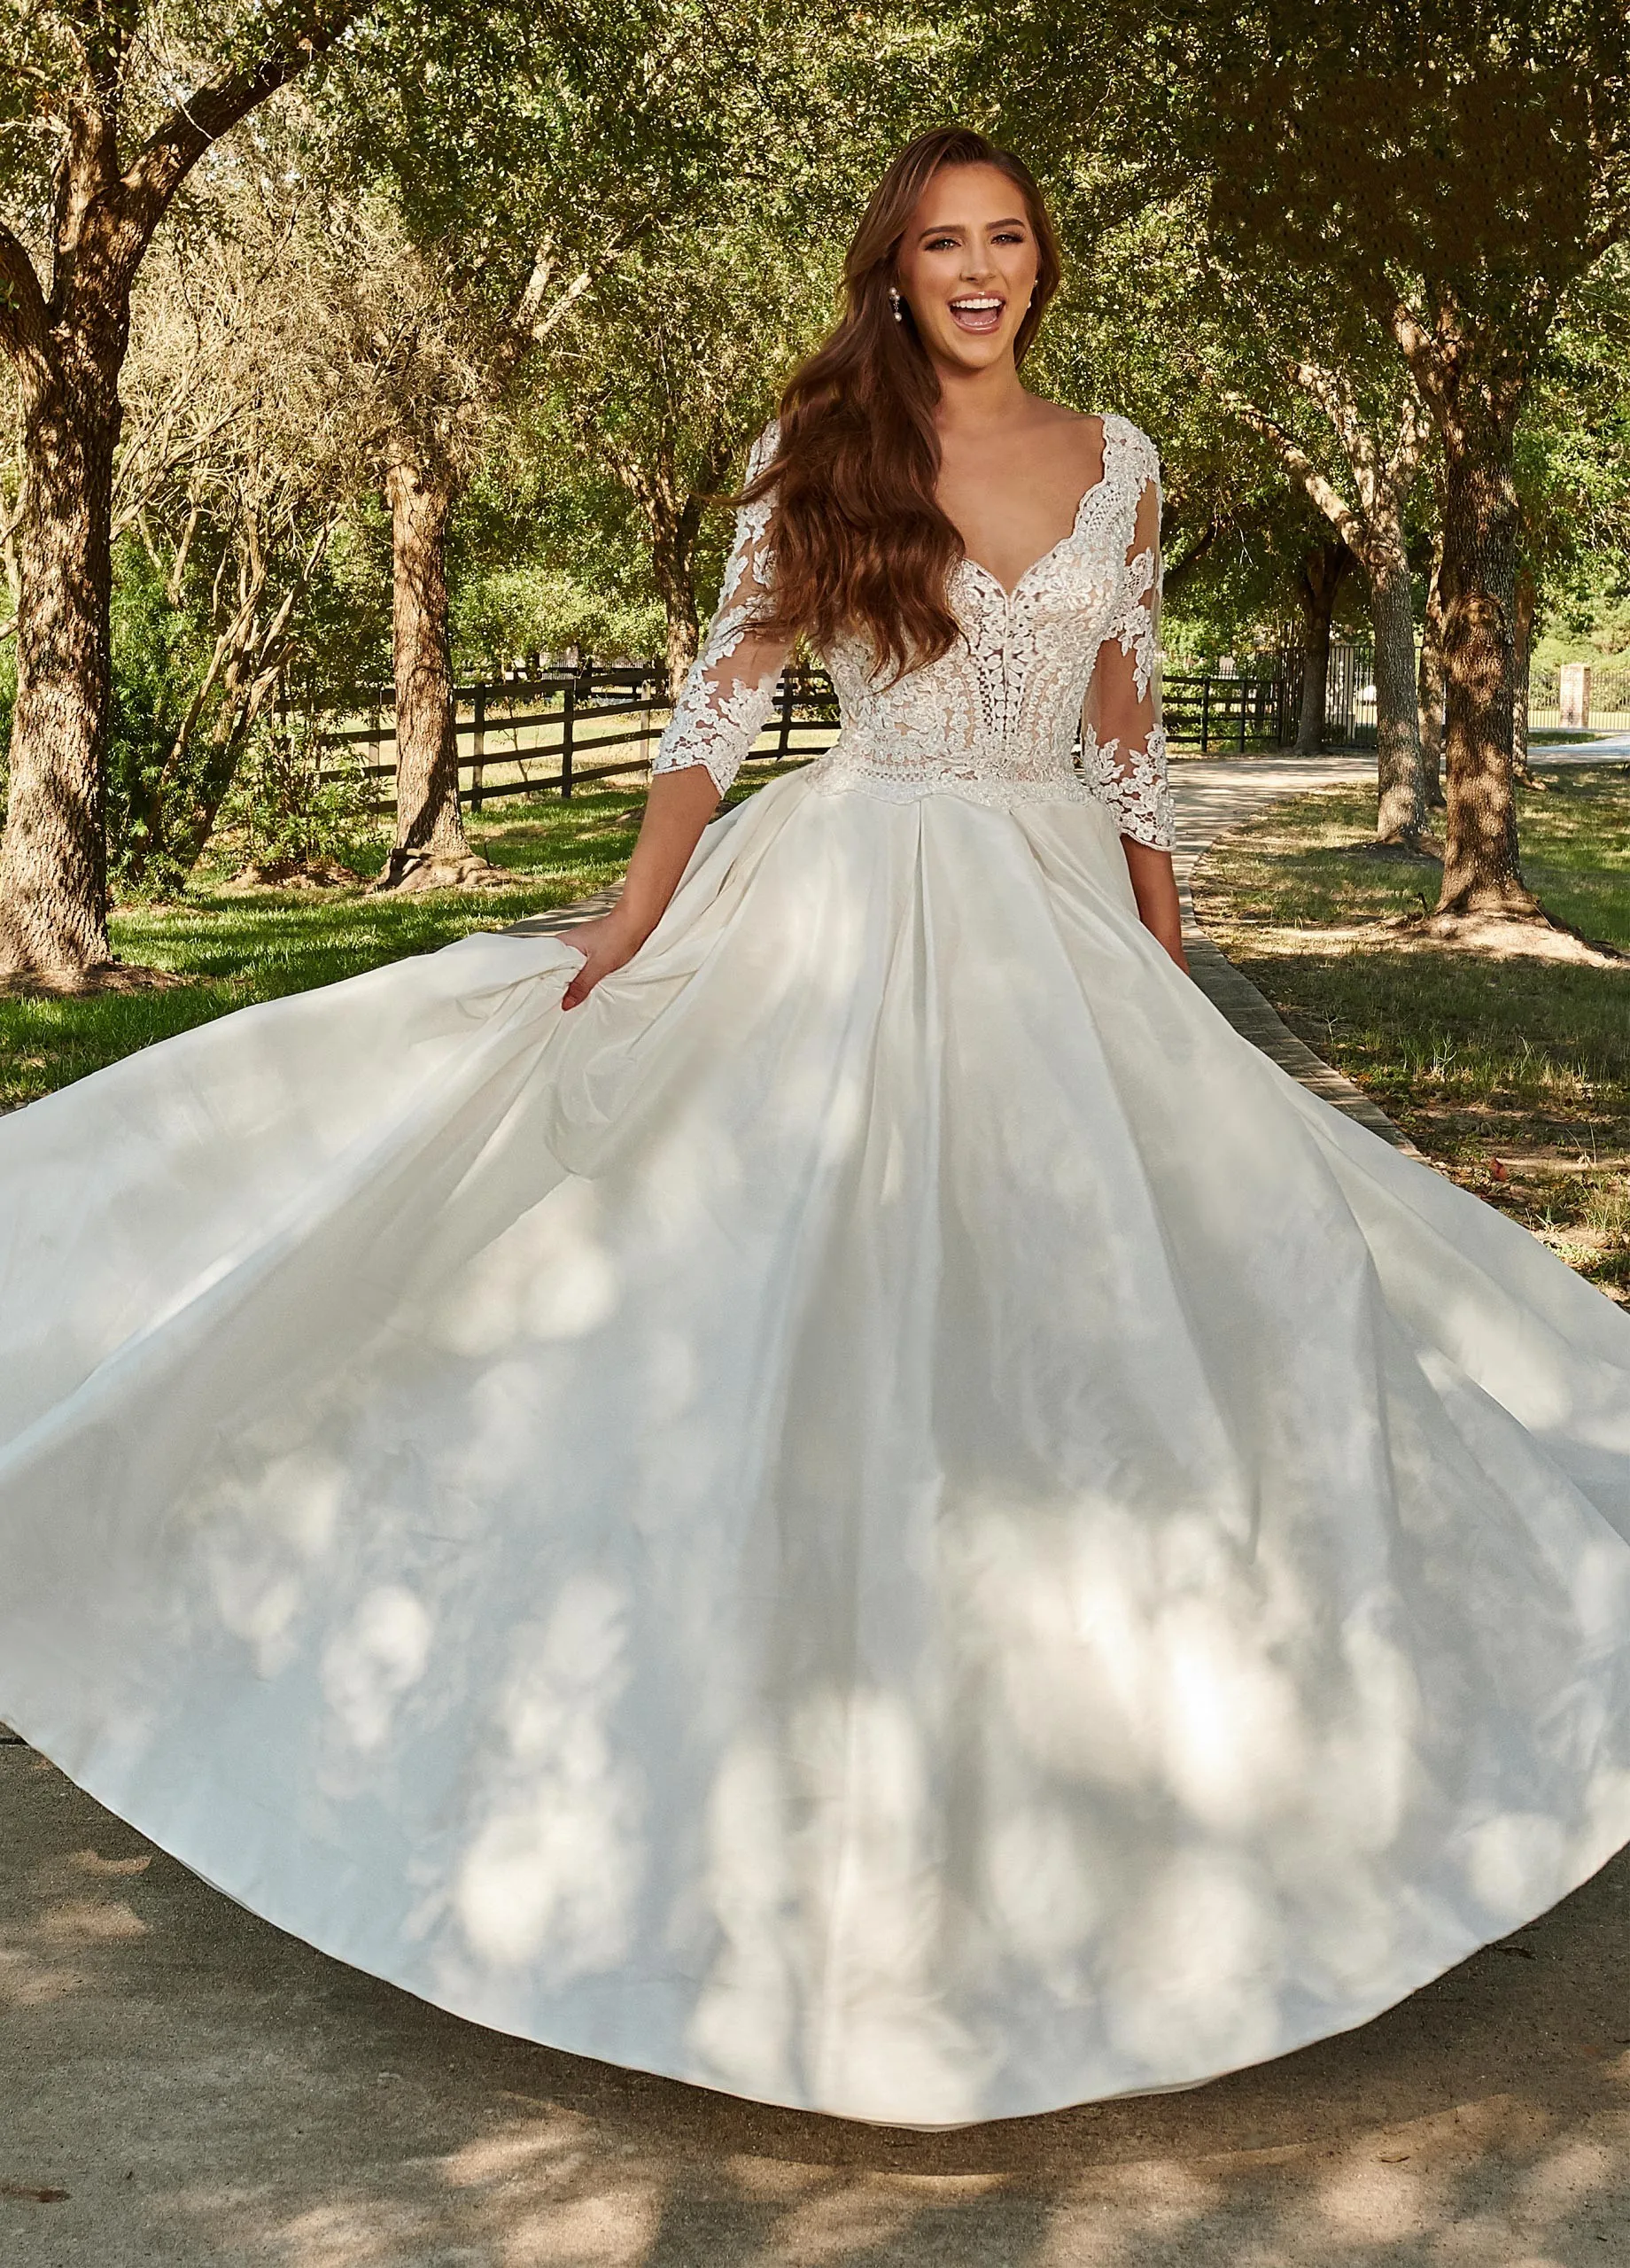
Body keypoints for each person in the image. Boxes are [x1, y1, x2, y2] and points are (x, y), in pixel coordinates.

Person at [2, 128, 1629, 2131]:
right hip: (850, 899)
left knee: (1205, 1294)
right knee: (795, 1304)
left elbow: (1118, 714)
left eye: (1004, 238)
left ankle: (1175, 1784)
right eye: (939, 241)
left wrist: (1166, 939)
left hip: (1056, 926)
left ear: (1042, 262)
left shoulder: (1117, 459)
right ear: (892, 267)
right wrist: (628, 907)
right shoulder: (824, 452)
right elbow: (718, 703)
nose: (973, 268)